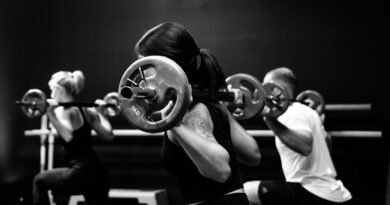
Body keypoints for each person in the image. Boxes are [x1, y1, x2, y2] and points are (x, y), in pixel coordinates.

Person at [134, 22, 261, 205]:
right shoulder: (214, 105)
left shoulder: (188, 115)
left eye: (147, 68)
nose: (144, 79)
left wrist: (172, 123)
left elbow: (221, 170)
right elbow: (253, 154)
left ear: (169, 65)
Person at [243, 67, 353, 205]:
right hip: (333, 193)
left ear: (275, 89)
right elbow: (328, 144)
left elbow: (305, 146)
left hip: (312, 191)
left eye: (265, 85)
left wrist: (270, 120)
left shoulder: (291, 113)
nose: (262, 91)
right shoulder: (308, 111)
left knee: (245, 192)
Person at [32, 70, 114, 205]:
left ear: (60, 90)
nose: (51, 95)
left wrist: (50, 114)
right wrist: (101, 114)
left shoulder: (62, 111)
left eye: (52, 90)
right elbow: (109, 135)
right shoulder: (88, 110)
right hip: (98, 174)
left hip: (80, 172)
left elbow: (68, 136)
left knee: (39, 181)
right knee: (58, 188)